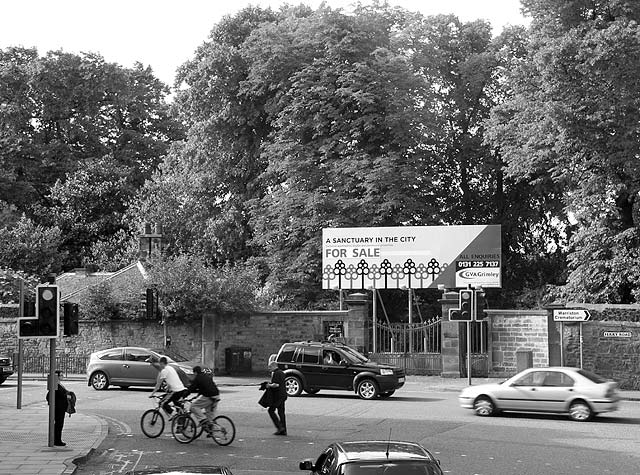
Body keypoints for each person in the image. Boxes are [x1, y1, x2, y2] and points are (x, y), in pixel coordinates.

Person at [46, 370, 68, 447]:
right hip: (58, 408)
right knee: (59, 424)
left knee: (59, 424)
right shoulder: (56, 386)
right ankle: (57, 440)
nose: (62, 376)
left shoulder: (58, 385)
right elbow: (49, 396)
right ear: (57, 376)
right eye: (61, 375)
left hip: (60, 407)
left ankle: (57, 439)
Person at [266, 358, 287, 435]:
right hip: (283, 395)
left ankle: (279, 427)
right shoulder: (281, 372)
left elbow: (276, 384)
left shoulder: (276, 373)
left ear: (273, 366)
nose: (269, 368)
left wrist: (269, 385)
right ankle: (284, 430)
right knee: (281, 412)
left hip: (278, 396)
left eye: (269, 367)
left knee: (271, 410)